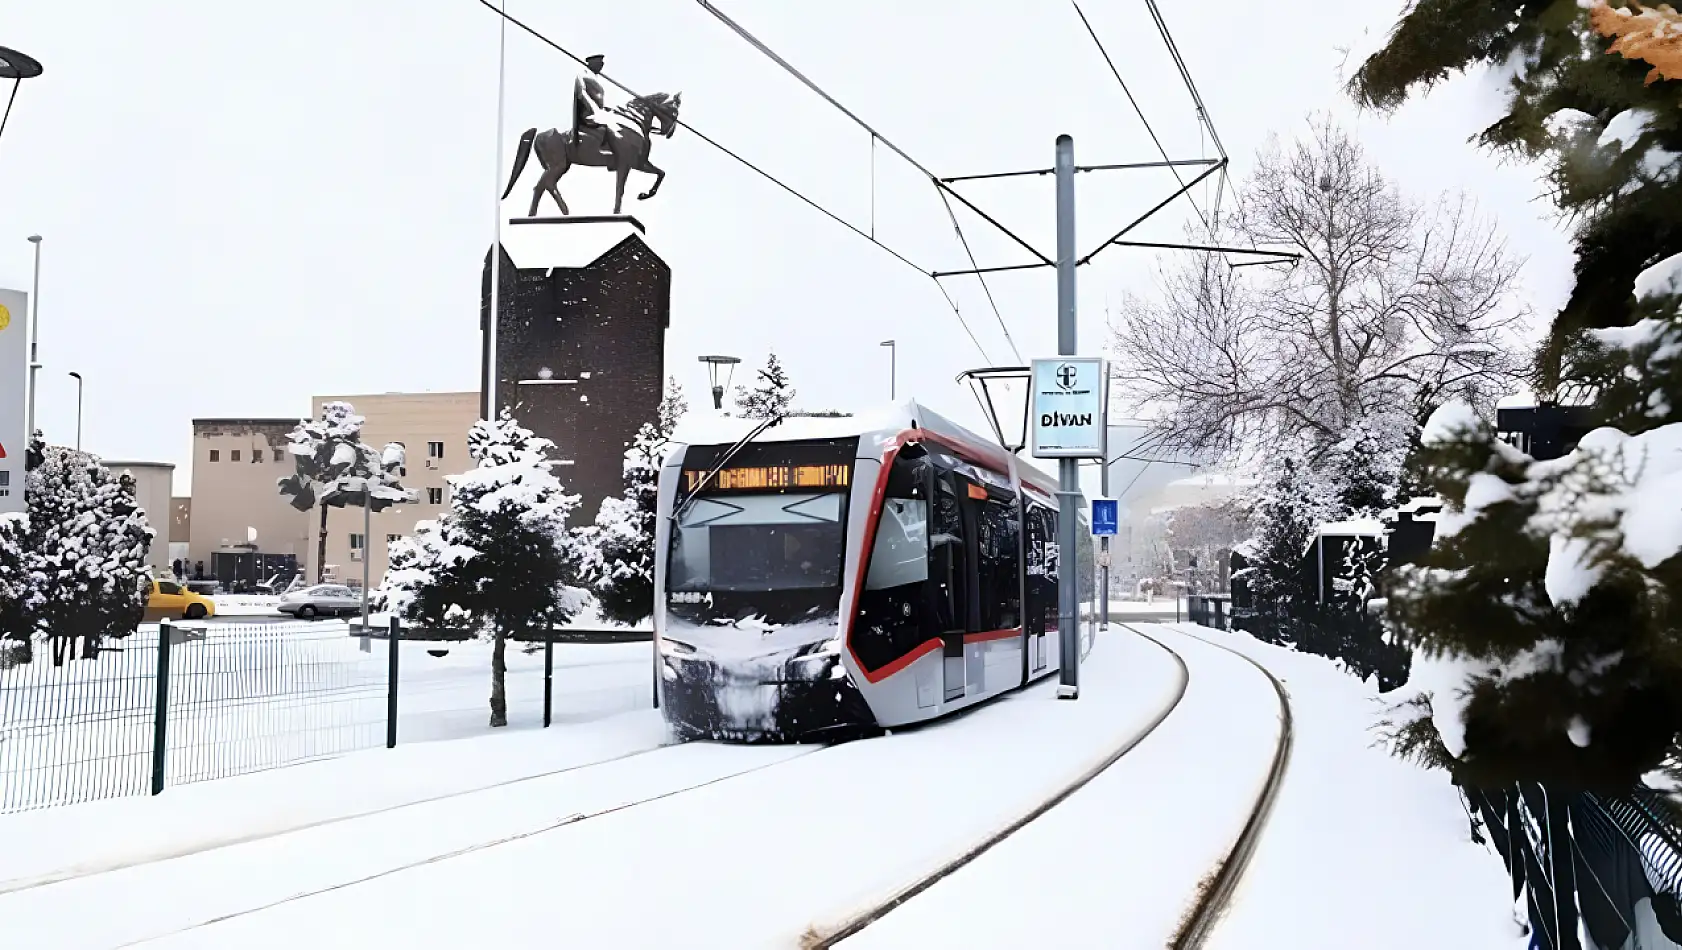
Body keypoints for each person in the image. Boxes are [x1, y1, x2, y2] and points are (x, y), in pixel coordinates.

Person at [572, 53, 616, 164]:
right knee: (610, 125)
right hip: (588, 112)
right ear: (592, 63)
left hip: (599, 111)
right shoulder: (582, 75)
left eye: (602, 65)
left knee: (617, 120)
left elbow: (599, 99)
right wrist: (594, 108)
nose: (601, 67)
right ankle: (602, 148)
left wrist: (607, 109)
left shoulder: (596, 78)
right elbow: (581, 93)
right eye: (599, 64)